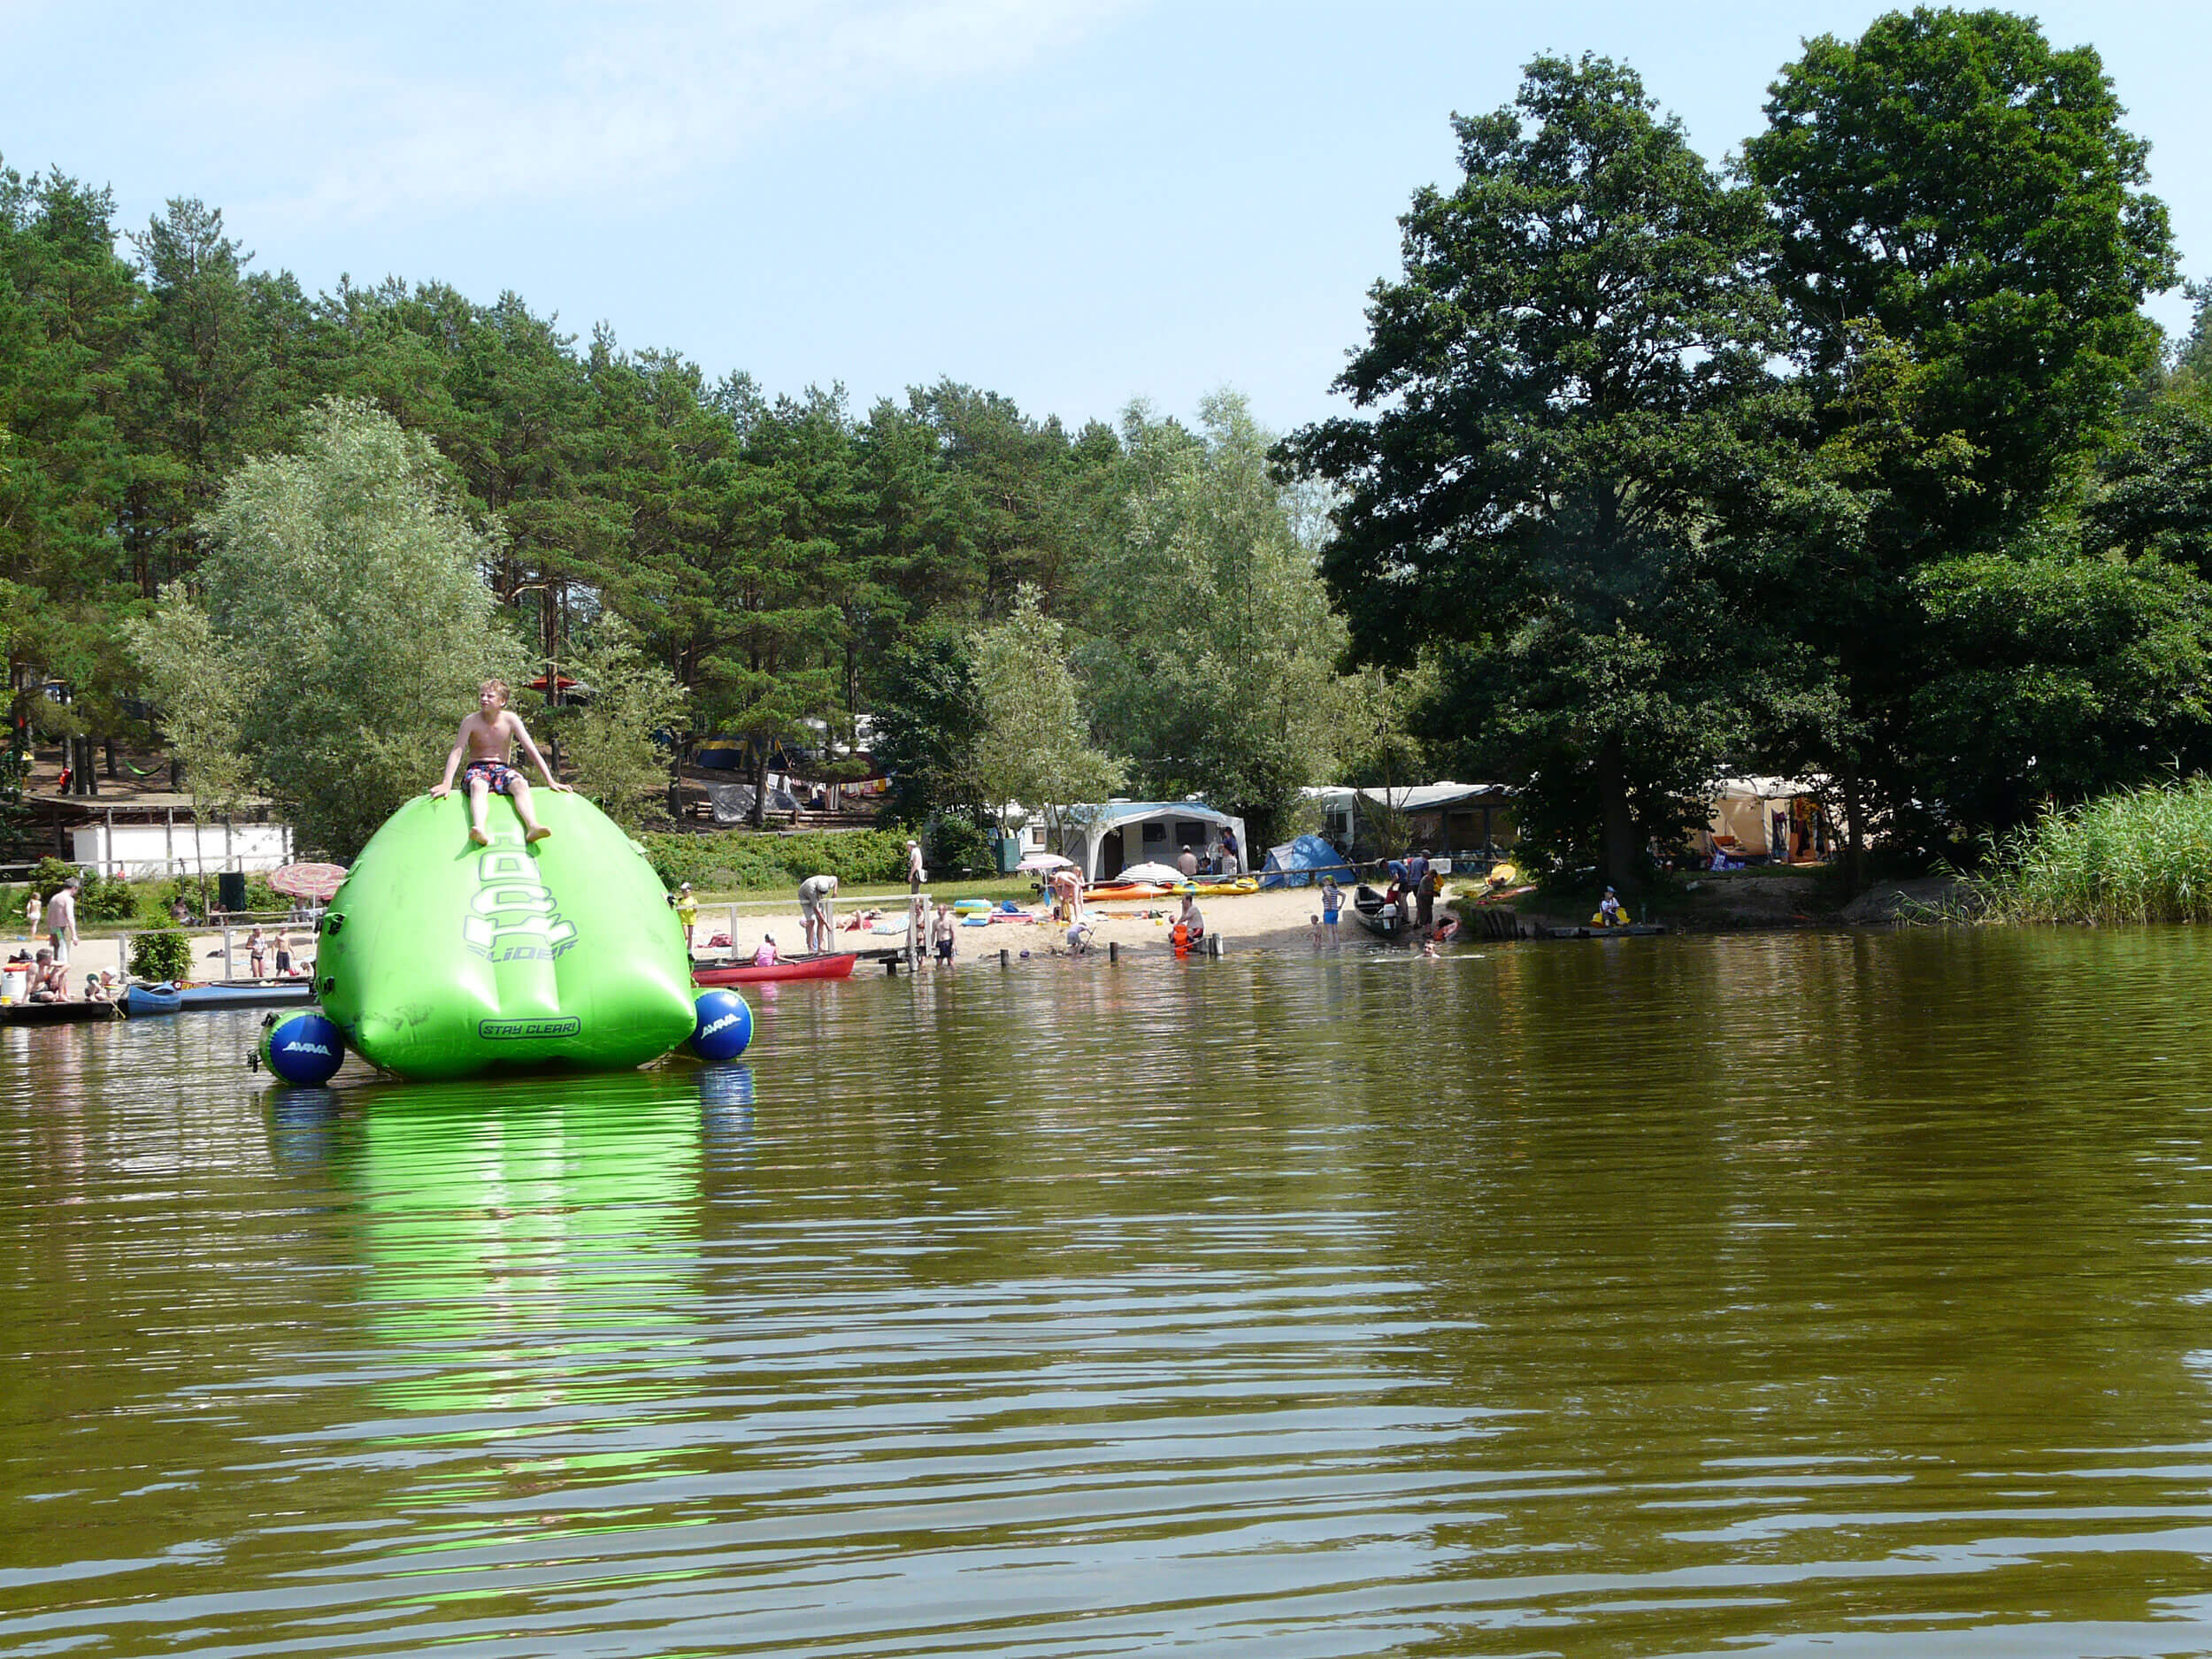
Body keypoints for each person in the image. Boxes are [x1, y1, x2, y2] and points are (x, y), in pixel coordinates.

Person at [430, 679, 571, 845]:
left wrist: (550, 780)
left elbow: (531, 750)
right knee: (478, 785)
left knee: (520, 784)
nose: (484, 699)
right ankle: (479, 828)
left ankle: (532, 826)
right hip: (477, 767)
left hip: (502, 769)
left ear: (502, 701)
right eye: (482, 695)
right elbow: (457, 751)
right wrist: (447, 782)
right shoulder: (471, 721)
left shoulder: (511, 720)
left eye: (490, 696)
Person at [798, 873, 840, 953]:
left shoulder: (828, 881)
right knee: (811, 921)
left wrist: (835, 891)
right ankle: (811, 948)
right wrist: (827, 924)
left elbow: (835, 879)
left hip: (816, 894)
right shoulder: (811, 890)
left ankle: (820, 946)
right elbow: (816, 909)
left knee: (821, 920)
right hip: (804, 895)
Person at [46, 877, 79, 967]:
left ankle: (54, 977)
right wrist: (74, 935)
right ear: (74, 888)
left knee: (57, 954)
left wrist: (50, 931)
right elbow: (70, 916)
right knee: (63, 955)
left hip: (54, 929)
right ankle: (59, 977)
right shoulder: (68, 899)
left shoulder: (54, 898)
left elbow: (49, 916)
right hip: (63, 928)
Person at [673, 882, 698, 952]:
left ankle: (689, 949)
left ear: (690, 891)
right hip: (683, 920)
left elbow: (695, 910)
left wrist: (694, 907)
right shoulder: (680, 900)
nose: (684, 893)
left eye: (686, 892)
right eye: (683, 892)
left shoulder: (693, 899)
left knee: (690, 936)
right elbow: (676, 904)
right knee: (686, 935)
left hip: (691, 920)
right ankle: (682, 948)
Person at [933, 900, 956, 966]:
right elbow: (933, 934)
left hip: (948, 943)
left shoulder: (949, 920)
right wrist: (931, 944)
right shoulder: (935, 921)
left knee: (951, 963)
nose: (940, 912)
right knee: (939, 963)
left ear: (945, 911)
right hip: (939, 943)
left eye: (941, 910)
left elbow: (953, 933)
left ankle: (952, 976)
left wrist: (953, 944)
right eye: (939, 910)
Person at [1320, 875, 1342, 941]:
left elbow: (1328, 895)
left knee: (1329, 930)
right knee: (1335, 930)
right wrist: (1340, 905)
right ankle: (1337, 945)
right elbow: (1344, 895)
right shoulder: (1335, 889)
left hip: (1328, 911)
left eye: (1325, 881)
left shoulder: (1325, 888)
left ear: (1329, 881)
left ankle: (1332, 945)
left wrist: (1330, 905)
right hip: (1335, 911)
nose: (1323, 882)